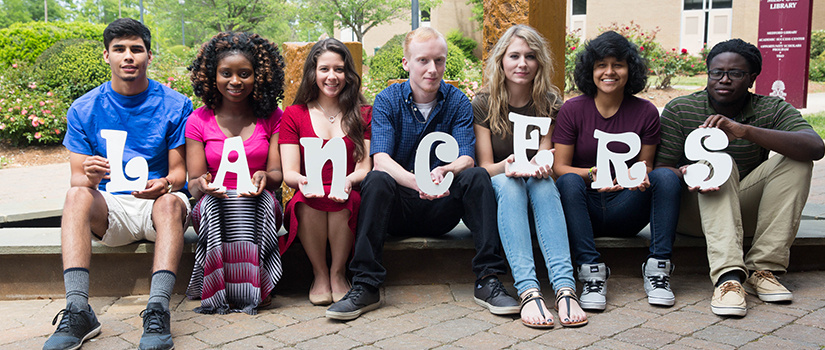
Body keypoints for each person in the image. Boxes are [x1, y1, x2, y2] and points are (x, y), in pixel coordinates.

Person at [325, 27, 517, 321]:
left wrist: (444, 170)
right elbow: (381, 160)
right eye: (423, 61)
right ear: (406, 63)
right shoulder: (388, 100)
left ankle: (488, 279)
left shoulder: (457, 101)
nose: (432, 69)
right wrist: (416, 181)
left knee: (477, 176)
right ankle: (366, 284)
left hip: (443, 206)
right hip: (399, 208)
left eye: (439, 61)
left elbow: (466, 158)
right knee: (376, 180)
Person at [44, 18, 192, 350]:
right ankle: (78, 308)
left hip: (159, 204)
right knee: (75, 195)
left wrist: (165, 183)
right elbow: (78, 178)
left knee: (171, 201)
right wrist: (92, 176)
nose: (128, 56)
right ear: (106, 56)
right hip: (113, 209)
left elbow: (179, 174)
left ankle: (157, 308)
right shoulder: (84, 108)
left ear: (149, 57)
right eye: (119, 49)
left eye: (136, 49)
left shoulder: (175, 104)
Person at [655, 39, 825, 317]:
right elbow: (660, 168)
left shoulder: (770, 108)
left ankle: (763, 269)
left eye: (735, 73)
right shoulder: (681, 109)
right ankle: (728, 279)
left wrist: (745, 131)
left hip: (744, 211)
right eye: (716, 72)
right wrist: (684, 173)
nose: (724, 79)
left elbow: (815, 146)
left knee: (797, 160)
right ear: (707, 73)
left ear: (752, 78)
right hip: (694, 212)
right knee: (719, 164)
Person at [552, 31, 682, 311]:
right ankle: (591, 272)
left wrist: (635, 177)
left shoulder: (646, 112)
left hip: (627, 206)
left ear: (630, 69)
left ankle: (658, 268)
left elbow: (646, 165)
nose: (609, 72)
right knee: (569, 180)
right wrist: (593, 173)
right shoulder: (573, 110)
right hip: (583, 208)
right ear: (590, 70)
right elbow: (558, 167)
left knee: (666, 176)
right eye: (601, 65)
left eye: (618, 64)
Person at [472, 25, 587, 328]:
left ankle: (565, 288)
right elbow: (484, 167)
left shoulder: (549, 101)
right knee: (511, 184)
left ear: (540, 62)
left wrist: (540, 165)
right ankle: (528, 290)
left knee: (544, 183)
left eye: (530, 56)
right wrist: (508, 164)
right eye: (514, 56)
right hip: (501, 179)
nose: (522, 64)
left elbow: (545, 157)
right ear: (501, 60)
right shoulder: (484, 102)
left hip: (535, 182)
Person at [184, 32, 286, 315]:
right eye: (226, 73)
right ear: (212, 76)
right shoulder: (198, 120)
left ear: (259, 76)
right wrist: (203, 184)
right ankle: (220, 289)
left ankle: (257, 286)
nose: (235, 81)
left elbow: (277, 173)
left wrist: (265, 177)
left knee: (263, 201)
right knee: (216, 204)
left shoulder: (273, 117)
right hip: (213, 201)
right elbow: (193, 183)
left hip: (257, 198)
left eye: (244, 73)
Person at [279, 38, 372, 306]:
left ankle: (338, 272)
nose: (332, 76)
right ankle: (320, 274)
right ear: (313, 72)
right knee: (306, 202)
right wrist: (304, 181)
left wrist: (348, 180)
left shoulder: (363, 113)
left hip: (346, 189)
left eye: (339, 69)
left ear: (348, 74)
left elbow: (364, 167)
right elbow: (290, 172)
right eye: (324, 69)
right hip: (310, 191)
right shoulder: (294, 115)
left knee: (349, 200)